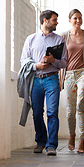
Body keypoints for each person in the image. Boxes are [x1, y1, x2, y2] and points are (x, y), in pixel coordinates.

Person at [20, 10, 67, 156]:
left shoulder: (59, 40)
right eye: (54, 20)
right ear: (45, 21)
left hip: (52, 78)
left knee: (52, 112)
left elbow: (65, 62)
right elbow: (23, 61)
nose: (57, 22)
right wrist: (37, 66)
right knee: (37, 113)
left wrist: (54, 61)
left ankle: (51, 145)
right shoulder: (31, 39)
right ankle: (40, 142)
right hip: (35, 80)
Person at [59, 9, 84, 153]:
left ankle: (82, 139)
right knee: (70, 110)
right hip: (69, 75)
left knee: (80, 104)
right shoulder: (63, 36)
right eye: (75, 18)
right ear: (70, 20)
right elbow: (60, 57)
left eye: (80, 18)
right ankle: (72, 136)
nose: (78, 20)